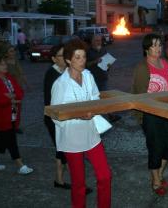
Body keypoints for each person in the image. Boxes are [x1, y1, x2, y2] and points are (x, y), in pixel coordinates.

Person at [51, 39, 112, 208]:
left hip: (91, 134)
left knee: (105, 175)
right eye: (77, 57)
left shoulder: (88, 75)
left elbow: (94, 97)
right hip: (72, 139)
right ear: (69, 60)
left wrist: (93, 110)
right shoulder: (60, 84)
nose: (82, 60)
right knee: (79, 184)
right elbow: (55, 116)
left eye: (84, 57)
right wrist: (77, 116)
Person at [131, 33, 168, 196]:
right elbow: (139, 95)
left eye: (160, 45)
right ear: (146, 49)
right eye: (154, 45)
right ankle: (156, 181)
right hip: (151, 114)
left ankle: (159, 173)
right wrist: (163, 102)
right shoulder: (142, 68)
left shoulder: (165, 63)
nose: (159, 48)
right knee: (156, 147)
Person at [0, 55, 34, 175]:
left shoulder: (9, 78)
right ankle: (20, 164)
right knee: (10, 139)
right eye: (2, 64)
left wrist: (10, 96)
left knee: (1, 138)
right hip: (1, 116)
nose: (5, 66)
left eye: (5, 64)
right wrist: (11, 98)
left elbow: (19, 92)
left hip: (12, 114)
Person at [43, 44, 77, 191]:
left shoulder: (66, 71)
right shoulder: (52, 74)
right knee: (63, 149)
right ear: (53, 59)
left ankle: (60, 180)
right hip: (54, 118)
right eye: (61, 56)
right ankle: (69, 182)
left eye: (66, 54)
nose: (65, 58)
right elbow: (53, 101)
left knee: (62, 149)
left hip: (64, 117)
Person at [86, 34, 121, 122]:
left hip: (103, 78)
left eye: (100, 40)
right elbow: (85, 65)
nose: (99, 42)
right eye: (97, 40)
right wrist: (95, 61)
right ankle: (95, 119)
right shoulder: (87, 52)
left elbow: (106, 63)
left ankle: (111, 115)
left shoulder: (103, 50)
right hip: (93, 80)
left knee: (106, 97)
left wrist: (108, 65)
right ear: (92, 41)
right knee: (94, 100)